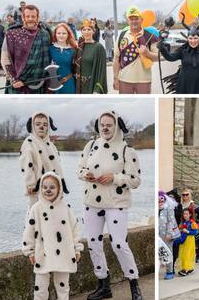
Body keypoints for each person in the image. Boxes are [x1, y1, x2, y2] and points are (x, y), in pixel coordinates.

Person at [76, 111, 143, 300]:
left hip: (116, 203)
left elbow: (135, 180)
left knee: (119, 243)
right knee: (94, 243)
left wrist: (114, 178)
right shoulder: (90, 146)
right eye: (102, 124)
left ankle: (134, 285)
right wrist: (85, 175)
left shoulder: (126, 150)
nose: (105, 128)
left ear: (116, 127)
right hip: (91, 202)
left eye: (109, 125)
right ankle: (103, 285)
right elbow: (79, 169)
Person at [22, 172, 83, 300]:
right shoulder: (36, 209)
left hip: (64, 253)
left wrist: (77, 248)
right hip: (42, 253)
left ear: (59, 188)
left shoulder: (66, 208)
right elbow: (29, 231)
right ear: (40, 188)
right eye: (45, 187)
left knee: (63, 287)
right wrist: (30, 252)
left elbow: (75, 229)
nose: (48, 190)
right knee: (40, 288)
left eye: (52, 187)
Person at [1, 5, 52, 94]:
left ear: (38, 18)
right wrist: (13, 79)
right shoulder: (12, 34)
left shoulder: (45, 34)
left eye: (33, 16)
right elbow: (5, 59)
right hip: (18, 83)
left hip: (39, 83)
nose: (30, 19)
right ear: (23, 17)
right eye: (27, 16)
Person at [19, 112, 67, 209]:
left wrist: (61, 185)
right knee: (36, 213)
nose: (41, 127)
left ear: (49, 127)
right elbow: (27, 165)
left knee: (54, 214)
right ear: (32, 126)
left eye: (45, 125)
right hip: (37, 187)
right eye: (38, 124)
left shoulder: (51, 144)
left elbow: (57, 165)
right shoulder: (29, 143)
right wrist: (30, 184)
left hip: (54, 187)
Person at [113, 6, 159, 94]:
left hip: (144, 81)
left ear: (141, 19)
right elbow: (116, 59)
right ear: (128, 21)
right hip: (124, 80)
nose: (134, 21)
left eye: (136, 18)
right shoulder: (122, 35)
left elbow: (159, 56)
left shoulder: (149, 36)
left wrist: (147, 53)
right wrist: (115, 78)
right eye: (131, 19)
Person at [73, 19, 107, 93]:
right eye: (84, 30)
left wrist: (97, 89)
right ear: (81, 32)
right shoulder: (79, 47)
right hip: (79, 85)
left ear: (93, 31)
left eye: (89, 29)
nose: (86, 32)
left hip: (92, 84)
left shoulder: (98, 47)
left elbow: (102, 71)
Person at [50, 23, 77, 94]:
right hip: (53, 83)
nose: (61, 35)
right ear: (55, 34)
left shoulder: (73, 50)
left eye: (64, 33)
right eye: (58, 33)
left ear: (68, 34)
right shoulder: (50, 49)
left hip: (68, 82)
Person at [158, 191, 180, 280]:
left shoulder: (169, 208)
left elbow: (172, 221)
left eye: (161, 199)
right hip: (159, 234)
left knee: (168, 252)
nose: (160, 201)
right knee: (160, 252)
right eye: (158, 200)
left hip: (167, 234)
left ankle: (170, 271)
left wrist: (170, 233)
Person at [175, 209, 198, 276]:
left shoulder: (192, 222)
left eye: (187, 214)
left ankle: (185, 269)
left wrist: (188, 232)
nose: (185, 215)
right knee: (182, 253)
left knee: (187, 254)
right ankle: (188, 268)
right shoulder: (183, 222)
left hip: (189, 240)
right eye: (184, 214)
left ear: (190, 214)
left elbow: (195, 232)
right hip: (183, 239)